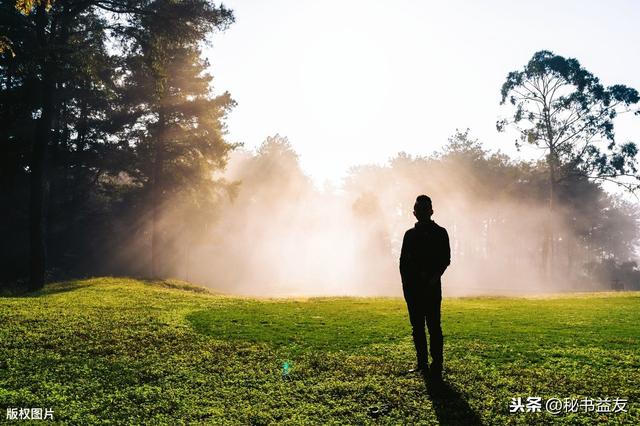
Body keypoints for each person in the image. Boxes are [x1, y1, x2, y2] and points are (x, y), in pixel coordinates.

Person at [399, 195, 450, 381]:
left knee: (434, 326)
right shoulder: (409, 235)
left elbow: (445, 260)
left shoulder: (440, 233)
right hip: (413, 290)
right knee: (417, 327)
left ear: (431, 211)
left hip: (432, 288)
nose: (421, 212)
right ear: (414, 213)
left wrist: (433, 278)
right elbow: (403, 263)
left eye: (424, 209)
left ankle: (437, 364)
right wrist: (407, 287)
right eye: (418, 209)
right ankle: (422, 364)